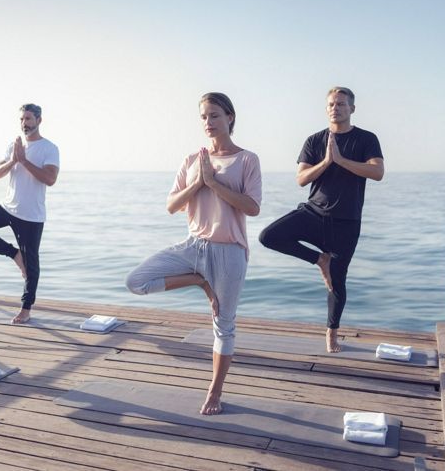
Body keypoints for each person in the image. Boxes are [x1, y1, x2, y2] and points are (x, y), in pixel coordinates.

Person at [126, 92, 262, 415]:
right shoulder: (191, 160)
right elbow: (172, 205)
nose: (208, 122)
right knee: (136, 282)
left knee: (223, 326)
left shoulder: (247, 159)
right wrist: (199, 182)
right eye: (203, 117)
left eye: (214, 115)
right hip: (193, 246)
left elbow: (252, 207)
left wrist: (214, 184)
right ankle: (200, 281)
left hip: (229, 251)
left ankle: (214, 392)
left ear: (230, 117)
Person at [258, 86, 384, 353]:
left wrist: (341, 160)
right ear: (326, 109)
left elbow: (377, 172)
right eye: (331, 104)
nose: (335, 108)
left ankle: (332, 334)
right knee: (268, 236)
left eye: (341, 104)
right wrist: (327, 161)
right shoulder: (314, 141)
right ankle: (319, 259)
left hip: (346, 222)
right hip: (313, 214)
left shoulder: (366, 139)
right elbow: (301, 179)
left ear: (352, 108)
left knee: (337, 282)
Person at [0, 103, 59, 324]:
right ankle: (14, 254)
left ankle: (26, 308)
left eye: (28, 119)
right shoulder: (13, 146)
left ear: (39, 120)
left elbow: (50, 179)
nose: (24, 123)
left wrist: (24, 160)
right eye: (21, 119)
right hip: (8, 207)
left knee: (32, 263)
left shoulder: (49, 148)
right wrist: (14, 160)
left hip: (31, 215)